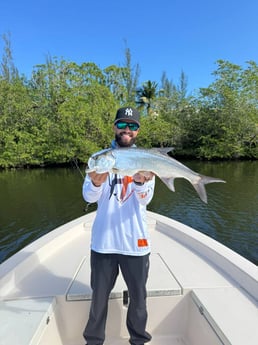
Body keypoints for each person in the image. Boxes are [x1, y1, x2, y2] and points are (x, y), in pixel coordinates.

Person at [82, 107, 155, 345]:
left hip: (136, 243)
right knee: (98, 299)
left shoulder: (146, 158)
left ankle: (138, 341)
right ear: (114, 127)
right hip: (104, 243)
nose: (127, 130)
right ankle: (93, 341)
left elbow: (145, 200)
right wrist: (94, 182)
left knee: (139, 300)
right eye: (122, 125)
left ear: (138, 131)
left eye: (132, 126)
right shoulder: (99, 158)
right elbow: (89, 197)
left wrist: (140, 183)